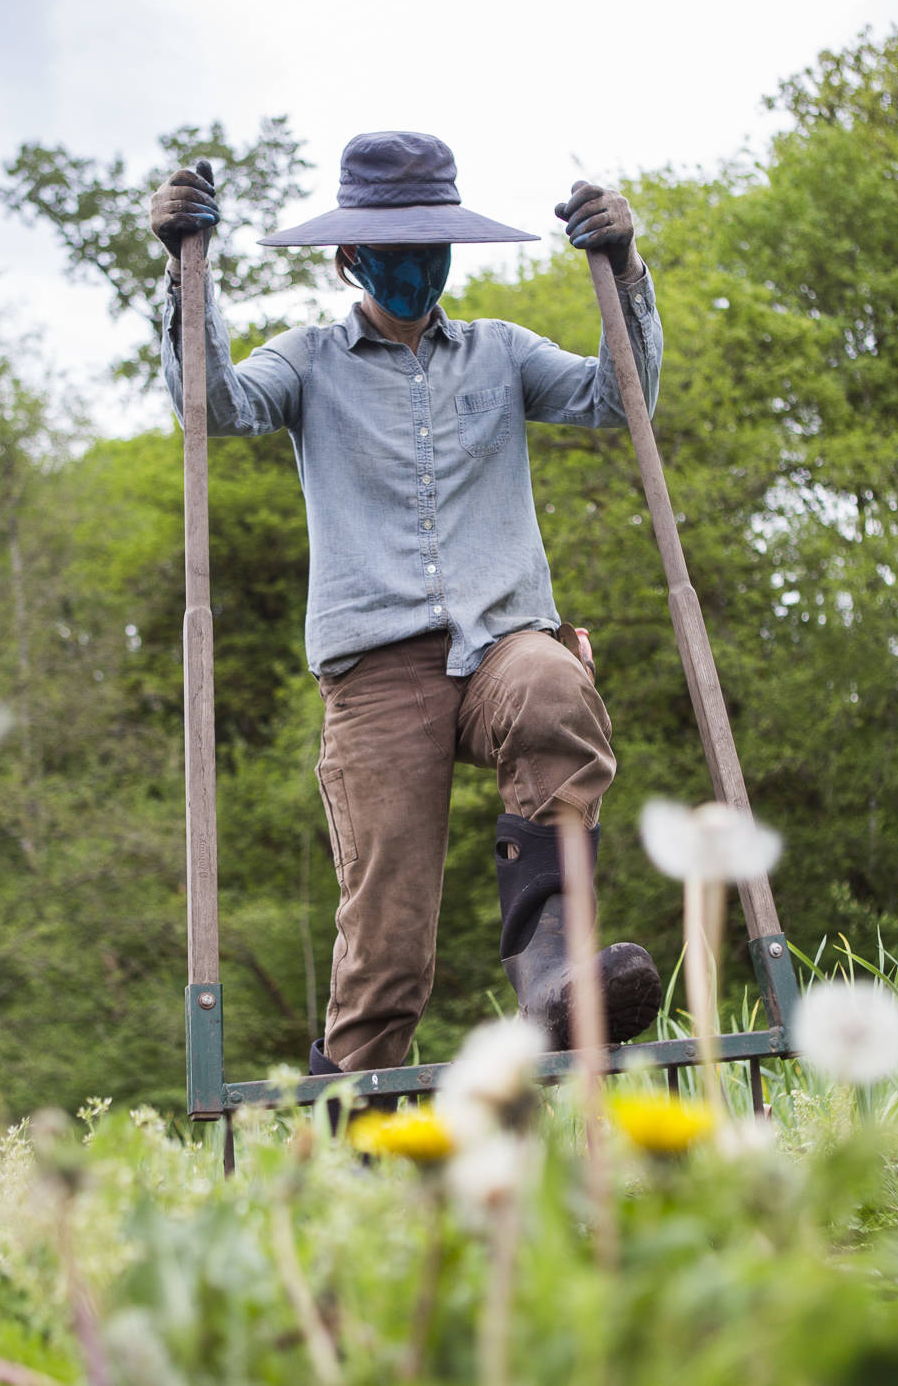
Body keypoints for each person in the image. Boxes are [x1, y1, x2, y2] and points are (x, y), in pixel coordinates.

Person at [154, 131, 666, 1078]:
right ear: (351, 257)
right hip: (376, 672)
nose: (415, 270)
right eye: (394, 252)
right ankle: (354, 1116)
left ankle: (555, 977)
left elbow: (614, 400)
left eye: (432, 249)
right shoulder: (307, 362)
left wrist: (625, 269)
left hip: (503, 643)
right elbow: (213, 406)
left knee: (555, 688)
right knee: (389, 939)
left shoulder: (500, 353)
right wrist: (187, 277)